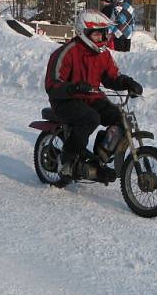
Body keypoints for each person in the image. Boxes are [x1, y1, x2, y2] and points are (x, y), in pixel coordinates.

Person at [44, 9, 143, 179]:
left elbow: (111, 77)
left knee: (120, 118)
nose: (103, 39)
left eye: (105, 35)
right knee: (90, 118)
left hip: (91, 97)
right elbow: (53, 84)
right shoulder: (67, 52)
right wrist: (73, 87)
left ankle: (99, 158)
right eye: (98, 35)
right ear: (84, 33)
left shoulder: (103, 54)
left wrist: (127, 82)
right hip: (66, 100)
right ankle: (66, 160)